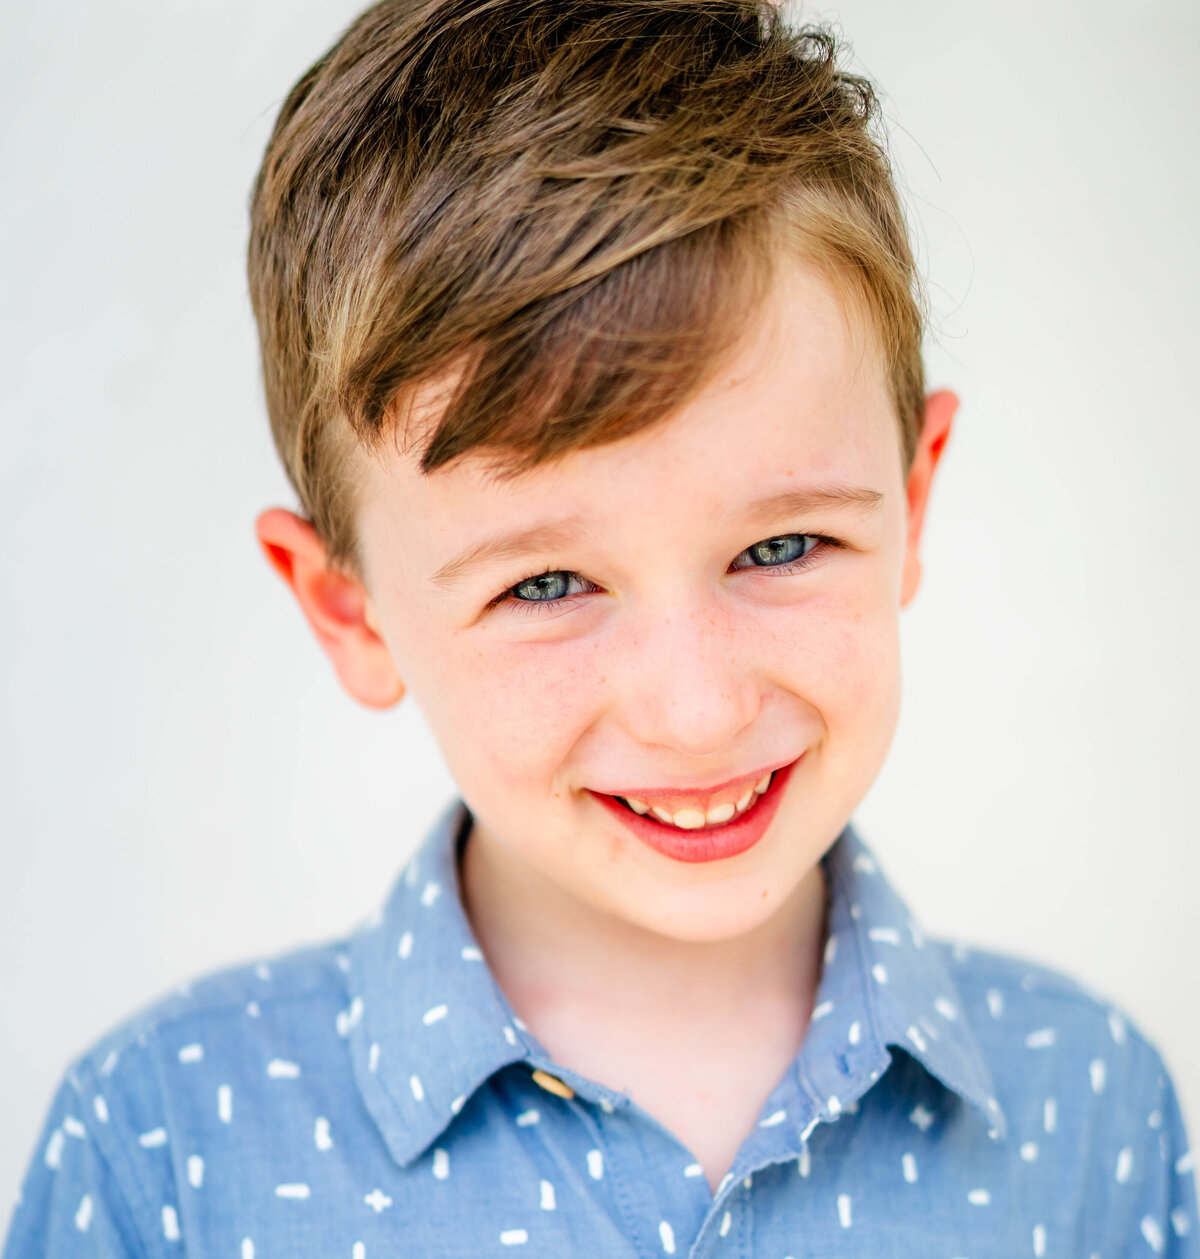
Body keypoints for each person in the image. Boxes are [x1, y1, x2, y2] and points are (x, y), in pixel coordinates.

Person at [5, 0, 1196, 1255]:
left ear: (911, 497)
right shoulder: (166, 1146)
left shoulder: (1090, 1110)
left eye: (781, 547)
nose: (695, 709)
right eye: (546, 584)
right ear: (346, 608)